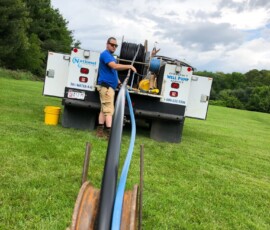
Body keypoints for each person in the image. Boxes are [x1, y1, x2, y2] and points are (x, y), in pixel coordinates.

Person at [96, 37, 137, 139]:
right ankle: (110, 135)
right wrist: (129, 66)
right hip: (106, 88)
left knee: (103, 110)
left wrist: (119, 83)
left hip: (108, 87)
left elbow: (113, 72)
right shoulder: (105, 54)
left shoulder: (111, 56)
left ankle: (99, 132)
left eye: (116, 45)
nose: (114, 47)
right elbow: (114, 67)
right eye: (112, 44)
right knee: (109, 111)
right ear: (107, 44)